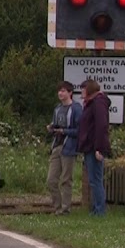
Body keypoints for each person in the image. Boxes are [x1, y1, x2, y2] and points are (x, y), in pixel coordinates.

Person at [76, 78, 112, 216]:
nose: (81, 93)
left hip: (94, 147)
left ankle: (100, 210)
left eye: (83, 89)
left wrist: (99, 148)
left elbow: (101, 126)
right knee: (93, 179)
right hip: (89, 146)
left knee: (96, 179)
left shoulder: (98, 103)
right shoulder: (91, 104)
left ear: (89, 89)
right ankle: (96, 208)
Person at [45, 81, 82, 215]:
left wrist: (64, 131)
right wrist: (52, 128)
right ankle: (57, 206)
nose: (60, 93)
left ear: (70, 93)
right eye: (59, 91)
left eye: (64, 91)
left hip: (69, 146)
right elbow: (56, 124)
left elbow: (79, 130)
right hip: (57, 145)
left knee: (66, 179)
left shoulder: (76, 109)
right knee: (51, 180)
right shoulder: (57, 109)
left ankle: (65, 209)